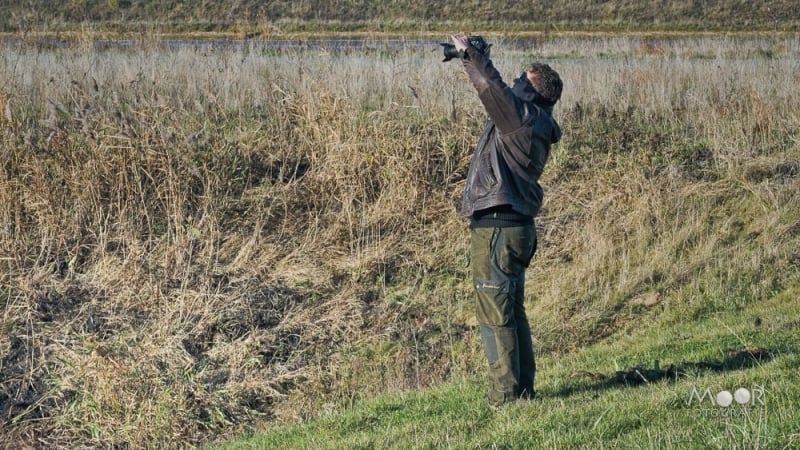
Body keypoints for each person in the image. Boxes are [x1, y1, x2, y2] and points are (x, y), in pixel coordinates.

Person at [449, 34, 563, 407]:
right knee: (512, 311)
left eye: (521, 79)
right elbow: (499, 91)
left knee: (495, 315)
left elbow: (490, 87)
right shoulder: (534, 121)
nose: (514, 82)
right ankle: (523, 391)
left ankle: (506, 398)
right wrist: (476, 57)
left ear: (532, 92)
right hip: (515, 227)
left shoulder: (522, 118)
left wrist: (471, 55)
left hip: (497, 228)